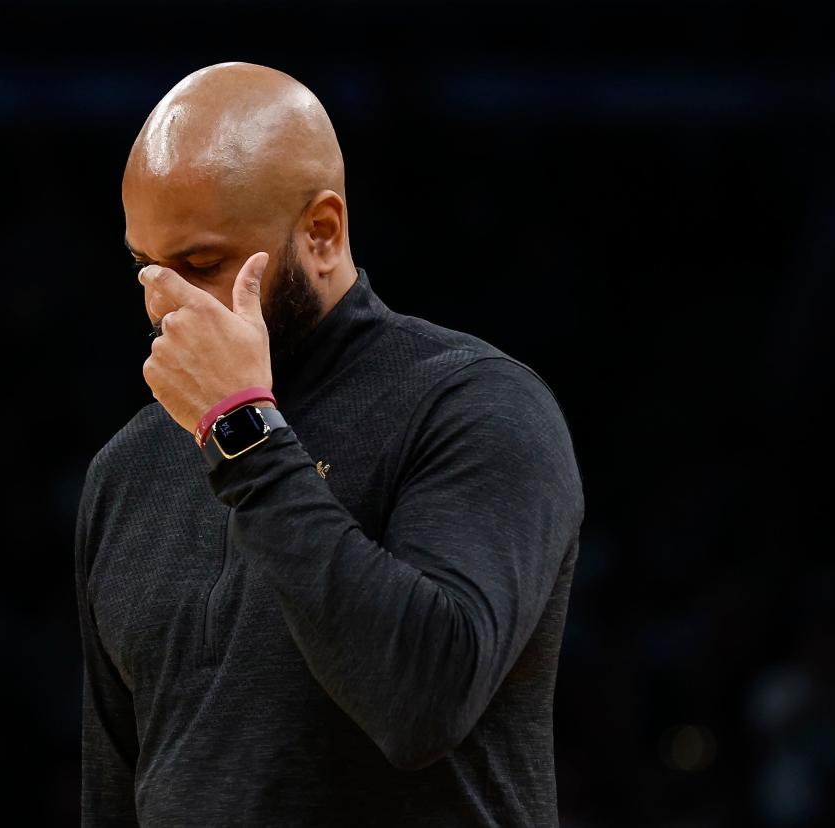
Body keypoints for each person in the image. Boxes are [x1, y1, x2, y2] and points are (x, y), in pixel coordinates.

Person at [74, 61, 585, 827]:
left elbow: (422, 702)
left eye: (201, 264)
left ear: (321, 232)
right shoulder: (127, 470)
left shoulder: (477, 407)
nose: (164, 307)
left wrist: (240, 428)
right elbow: (116, 794)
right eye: (145, 267)